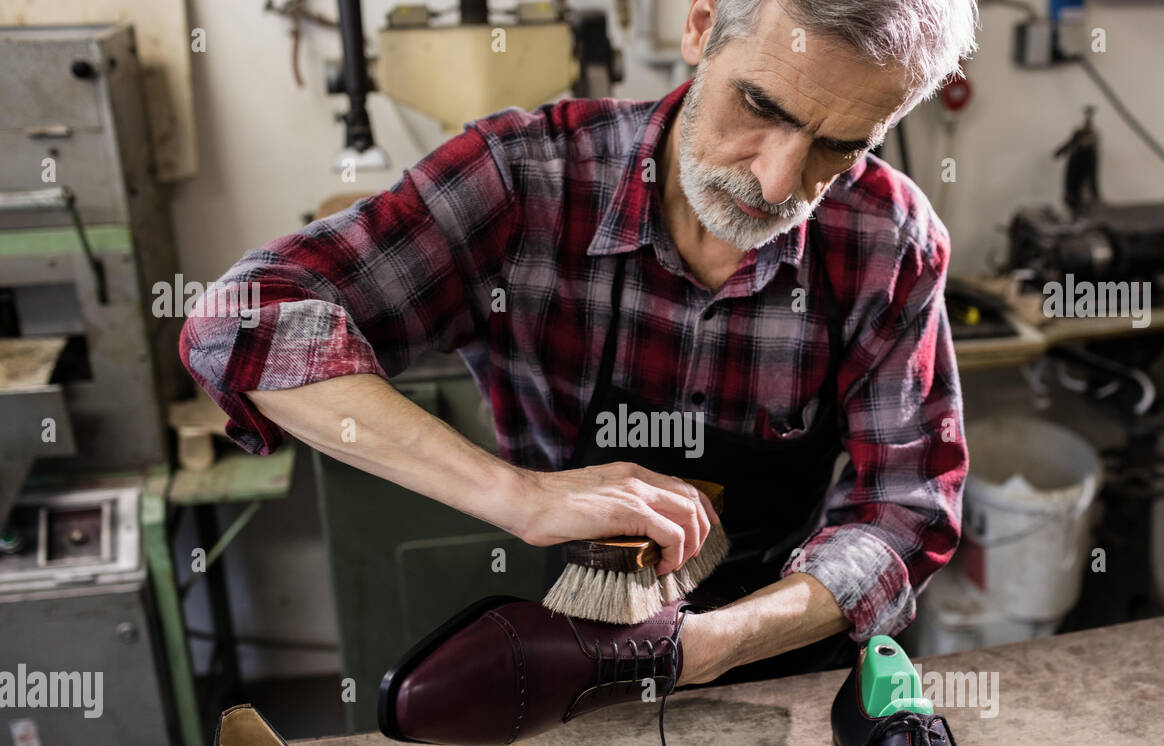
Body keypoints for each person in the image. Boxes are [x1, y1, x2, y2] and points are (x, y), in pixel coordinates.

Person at [180, 0, 978, 691]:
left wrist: (722, 642)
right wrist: (519, 497)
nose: (778, 184)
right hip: (580, 641)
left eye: (841, 147)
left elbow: (906, 509)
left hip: (785, 655)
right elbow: (241, 321)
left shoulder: (888, 240)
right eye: (761, 108)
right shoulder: (524, 183)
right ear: (700, 25)